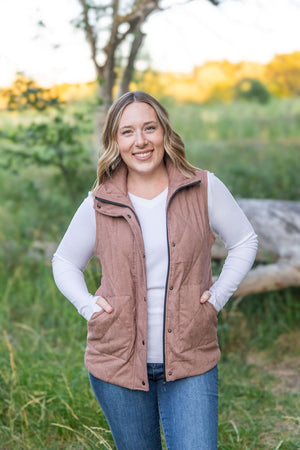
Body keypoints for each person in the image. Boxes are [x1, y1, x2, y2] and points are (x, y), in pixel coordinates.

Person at [52, 91, 258, 449]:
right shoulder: (99, 202)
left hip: (191, 360)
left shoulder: (203, 187)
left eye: (149, 127)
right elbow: (65, 262)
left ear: (164, 132)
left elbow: (244, 241)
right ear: (115, 141)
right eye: (127, 132)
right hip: (117, 364)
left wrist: (218, 296)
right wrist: (88, 306)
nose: (141, 141)